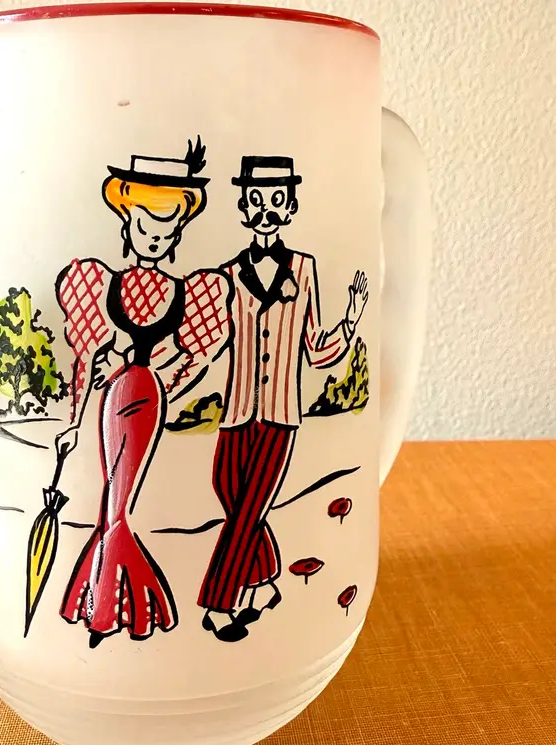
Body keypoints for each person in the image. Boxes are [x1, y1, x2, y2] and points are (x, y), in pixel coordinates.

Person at [50, 138, 232, 648]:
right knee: (110, 499)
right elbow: (85, 359)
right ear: (126, 222)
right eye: (145, 226)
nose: (154, 238)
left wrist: (163, 383)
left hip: (147, 398)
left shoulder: (190, 291)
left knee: (118, 501)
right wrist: (72, 421)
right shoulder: (98, 282)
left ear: (178, 232)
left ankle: (103, 605)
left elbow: (196, 357)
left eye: (165, 230)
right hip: (112, 399)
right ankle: (119, 601)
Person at [198, 155, 369, 642]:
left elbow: (316, 349)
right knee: (229, 493)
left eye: (276, 200)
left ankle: (219, 604)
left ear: (290, 207)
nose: (266, 210)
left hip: (279, 413)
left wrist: (351, 318)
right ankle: (265, 582)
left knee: (248, 508)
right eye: (256, 200)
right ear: (244, 208)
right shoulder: (228, 275)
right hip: (237, 409)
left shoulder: (305, 269)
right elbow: (213, 340)